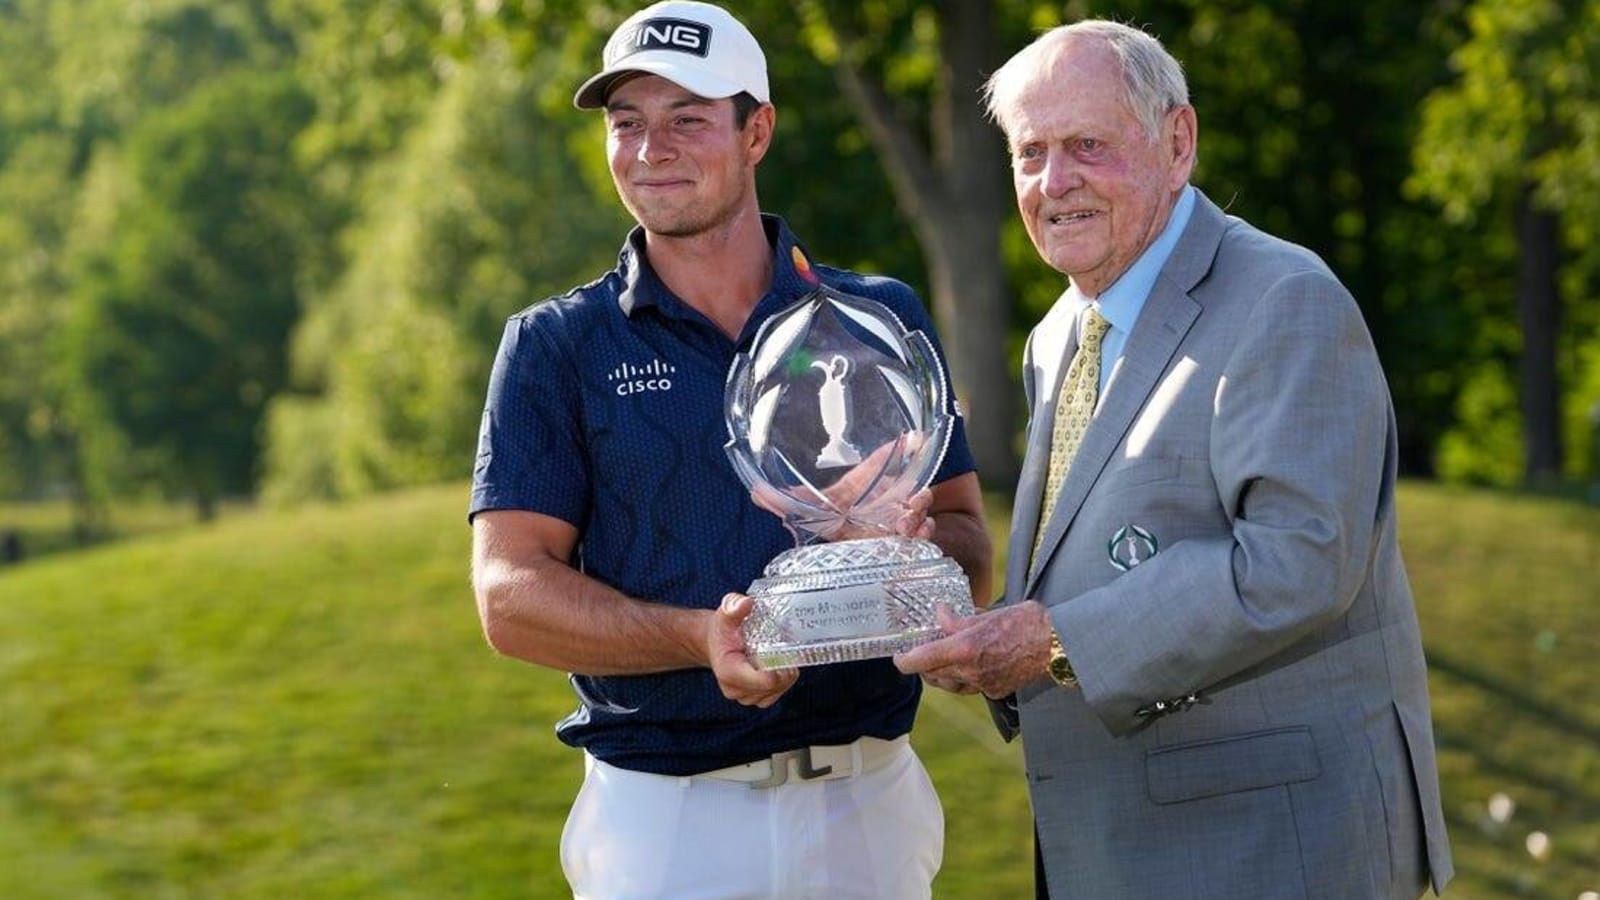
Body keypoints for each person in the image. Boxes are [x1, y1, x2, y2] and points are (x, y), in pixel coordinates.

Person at [895, 19, 1453, 900]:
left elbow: (1298, 563)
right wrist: (977, 631)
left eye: (1087, 146)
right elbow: (1091, 568)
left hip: (1272, 850)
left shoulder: (1285, 298)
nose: (1054, 181)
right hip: (1121, 850)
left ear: (1178, 141)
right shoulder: (1058, 336)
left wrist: (1048, 643)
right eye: (1030, 152)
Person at [468, 2, 992, 897]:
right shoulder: (558, 345)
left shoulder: (877, 319)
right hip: (667, 821)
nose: (649, 150)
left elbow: (968, 549)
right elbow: (509, 596)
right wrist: (700, 638)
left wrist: (906, 557)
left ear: (759, 132)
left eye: (687, 120)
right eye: (626, 124)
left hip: (869, 799)